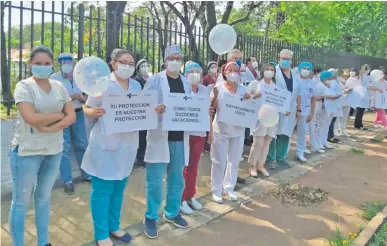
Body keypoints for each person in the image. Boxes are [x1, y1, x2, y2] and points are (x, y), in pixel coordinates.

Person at [9, 45, 75, 246]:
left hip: (54, 150)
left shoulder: (59, 86)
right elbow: (30, 117)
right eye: (38, 63)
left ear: (52, 65)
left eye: (47, 64)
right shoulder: (24, 86)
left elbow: (71, 116)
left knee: (43, 199)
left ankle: (43, 242)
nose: (42, 67)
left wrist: (47, 125)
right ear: (31, 65)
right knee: (21, 202)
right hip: (27, 151)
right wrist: (58, 116)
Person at [82, 49, 142, 246]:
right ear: (113, 63)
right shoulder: (102, 83)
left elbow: (140, 109)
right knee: (102, 191)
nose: (127, 66)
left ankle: (114, 226)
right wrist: (94, 111)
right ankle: (101, 234)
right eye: (123, 62)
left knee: (119, 188)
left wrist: (153, 111)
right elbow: (87, 108)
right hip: (105, 145)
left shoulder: (136, 85)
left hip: (128, 145)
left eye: (131, 63)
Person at [142, 45, 191, 239]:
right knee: (154, 180)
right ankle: (151, 216)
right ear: (165, 60)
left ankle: (172, 212)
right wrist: (155, 109)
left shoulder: (186, 82)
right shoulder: (155, 80)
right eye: (172, 57)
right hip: (159, 135)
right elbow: (143, 104)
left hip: (179, 137)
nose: (175, 61)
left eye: (178, 58)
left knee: (177, 178)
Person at [209, 61, 251, 203]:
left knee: (234, 161)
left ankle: (229, 188)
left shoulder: (243, 90)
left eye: (235, 70)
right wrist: (214, 97)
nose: (232, 72)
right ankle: (216, 189)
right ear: (224, 72)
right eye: (229, 70)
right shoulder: (218, 88)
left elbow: (249, 108)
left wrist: (251, 99)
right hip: (221, 130)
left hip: (238, 131)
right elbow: (211, 108)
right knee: (218, 161)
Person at [50, 52, 90, 195]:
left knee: (81, 144)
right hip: (63, 115)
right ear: (59, 63)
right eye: (63, 62)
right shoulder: (54, 78)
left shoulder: (79, 77)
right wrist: (70, 97)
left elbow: (87, 95)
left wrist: (83, 98)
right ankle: (67, 180)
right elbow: (52, 99)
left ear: (73, 63)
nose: (66, 64)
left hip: (78, 113)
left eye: (69, 61)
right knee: (65, 147)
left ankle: (86, 174)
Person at [180, 62, 208, 215]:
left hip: (199, 133)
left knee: (194, 166)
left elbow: (208, 109)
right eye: (191, 71)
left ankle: (191, 195)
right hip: (185, 133)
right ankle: (181, 198)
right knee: (184, 166)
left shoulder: (204, 90)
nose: (194, 73)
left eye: (197, 71)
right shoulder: (181, 88)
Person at [267, 49, 301, 169]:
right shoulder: (273, 71)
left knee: (285, 133)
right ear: (279, 59)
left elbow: (298, 93)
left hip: (290, 109)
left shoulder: (295, 75)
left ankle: (281, 158)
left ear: (291, 61)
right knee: (272, 133)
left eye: (288, 59)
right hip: (275, 108)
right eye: (283, 58)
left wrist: (299, 109)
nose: (285, 61)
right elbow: (268, 90)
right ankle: (270, 158)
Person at [247, 63, 278, 177]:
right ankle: (252, 165)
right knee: (258, 143)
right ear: (262, 70)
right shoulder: (256, 84)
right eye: (267, 69)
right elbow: (246, 98)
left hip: (272, 117)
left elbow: (280, 102)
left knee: (267, 142)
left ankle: (261, 165)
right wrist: (254, 96)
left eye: (272, 70)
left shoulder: (276, 87)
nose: (269, 71)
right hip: (259, 117)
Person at [312, 71, 341, 151]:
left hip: (331, 107)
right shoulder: (319, 86)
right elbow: (316, 97)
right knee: (321, 125)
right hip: (322, 108)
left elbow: (338, 92)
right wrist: (326, 97)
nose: (330, 80)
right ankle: (318, 142)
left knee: (327, 124)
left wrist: (336, 95)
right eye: (328, 78)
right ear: (323, 78)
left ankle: (324, 141)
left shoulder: (332, 85)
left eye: (331, 78)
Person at [295, 62, 317, 163]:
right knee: (287, 131)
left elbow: (313, 98)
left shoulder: (312, 82)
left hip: (305, 110)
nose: (306, 70)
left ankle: (300, 152)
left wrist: (311, 113)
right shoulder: (295, 79)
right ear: (299, 69)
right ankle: (283, 154)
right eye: (304, 68)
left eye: (308, 69)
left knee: (302, 131)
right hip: (293, 109)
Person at [134, 58, 150, 168]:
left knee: (147, 136)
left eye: (146, 65)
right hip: (140, 111)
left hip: (149, 111)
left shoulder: (150, 79)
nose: (145, 68)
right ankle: (140, 158)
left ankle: (145, 156)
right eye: (142, 66)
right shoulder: (137, 80)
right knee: (141, 136)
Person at [327, 69, 344, 144]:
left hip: (336, 103)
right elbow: (333, 93)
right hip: (333, 103)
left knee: (333, 120)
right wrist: (340, 93)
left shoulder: (336, 81)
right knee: (331, 121)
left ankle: (331, 135)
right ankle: (329, 137)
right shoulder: (333, 82)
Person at [334, 70, 351, 137]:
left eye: (347, 76)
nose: (346, 77)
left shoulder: (350, 82)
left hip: (348, 101)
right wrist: (345, 90)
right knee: (337, 116)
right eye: (344, 76)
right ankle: (336, 130)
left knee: (345, 117)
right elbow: (337, 91)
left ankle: (343, 130)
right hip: (340, 101)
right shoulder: (337, 82)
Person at [355, 64, 372, 130]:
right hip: (361, 94)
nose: (368, 70)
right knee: (359, 110)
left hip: (365, 94)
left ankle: (360, 124)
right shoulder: (362, 76)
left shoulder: (366, 76)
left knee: (362, 110)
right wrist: (369, 87)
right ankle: (357, 125)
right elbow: (361, 85)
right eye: (368, 69)